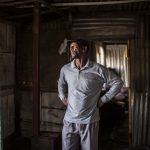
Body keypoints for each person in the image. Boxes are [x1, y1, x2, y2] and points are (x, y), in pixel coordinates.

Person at [58, 39, 123, 150]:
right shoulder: (66, 69)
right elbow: (61, 84)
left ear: (84, 49)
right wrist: (62, 97)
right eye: (70, 47)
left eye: (75, 47)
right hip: (69, 120)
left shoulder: (97, 69)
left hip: (89, 121)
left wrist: (103, 100)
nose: (72, 50)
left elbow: (118, 82)